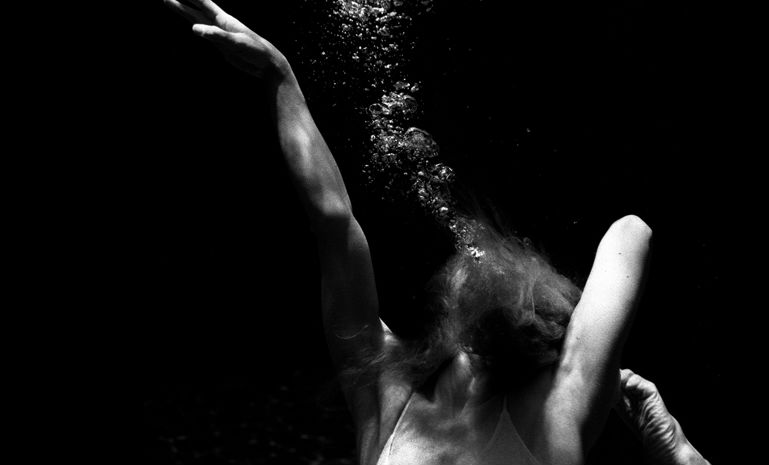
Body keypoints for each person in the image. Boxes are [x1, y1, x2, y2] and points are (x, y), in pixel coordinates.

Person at [164, 2, 711, 464]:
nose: (479, 254)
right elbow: (334, 223)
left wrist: (676, 448)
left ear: (543, 320)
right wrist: (280, 75)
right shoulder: (391, 397)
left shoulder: (559, 401)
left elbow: (632, 232)